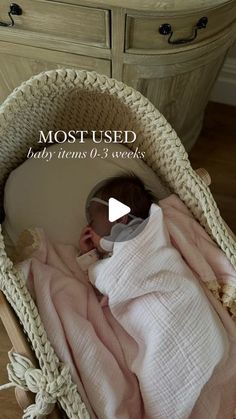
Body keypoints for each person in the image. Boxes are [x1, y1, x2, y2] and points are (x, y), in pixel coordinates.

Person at [76, 173, 154, 271]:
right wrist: (88, 254)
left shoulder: (144, 239)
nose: (88, 228)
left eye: (93, 222)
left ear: (119, 219)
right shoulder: (110, 258)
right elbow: (105, 281)